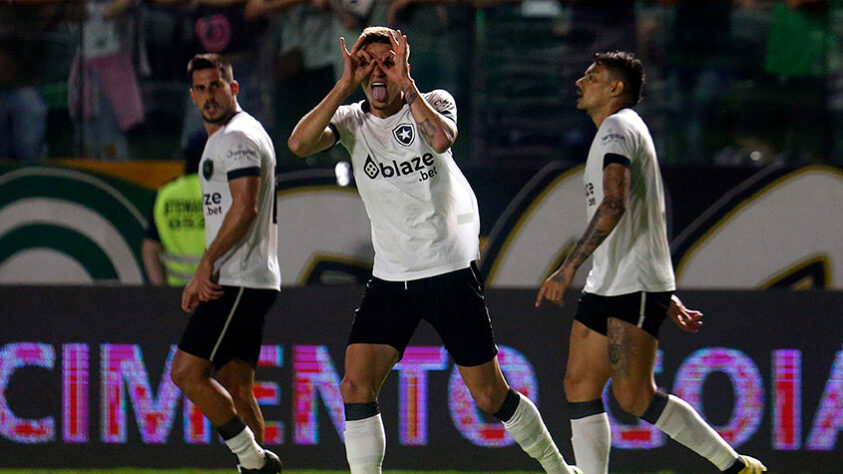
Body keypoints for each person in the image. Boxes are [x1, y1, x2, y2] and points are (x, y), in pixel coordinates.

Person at [288, 26, 580, 474]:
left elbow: (442, 139)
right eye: (369, 63)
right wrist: (343, 84)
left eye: (388, 60)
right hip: (390, 278)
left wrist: (407, 83)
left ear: (404, 63)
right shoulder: (350, 120)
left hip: (447, 270)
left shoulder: (434, 101)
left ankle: (560, 470)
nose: (378, 71)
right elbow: (298, 144)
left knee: (489, 395)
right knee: (354, 385)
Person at [534, 51, 766, 474]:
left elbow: (615, 203)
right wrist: (664, 290)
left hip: (631, 284)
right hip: (612, 282)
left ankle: (736, 467)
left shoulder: (618, 127)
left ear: (615, 88)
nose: (580, 82)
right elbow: (646, 211)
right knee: (579, 385)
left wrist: (568, 267)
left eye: (592, 76)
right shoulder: (617, 131)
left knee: (634, 397)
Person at [169, 53, 282, 474]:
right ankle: (254, 469)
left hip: (237, 278)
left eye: (216, 86)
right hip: (252, 277)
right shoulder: (237, 134)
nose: (208, 96)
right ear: (192, 96)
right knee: (237, 385)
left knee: (186, 372)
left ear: (233, 88)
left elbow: (245, 206)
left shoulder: (235, 137)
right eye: (200, 89)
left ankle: (255, 462)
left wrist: (206, 265)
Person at [142, 131, 207, 286]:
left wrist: (162, 292)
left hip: (176, 295)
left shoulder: (166, 194)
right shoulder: (226, 193)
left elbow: (150, 249)